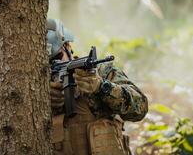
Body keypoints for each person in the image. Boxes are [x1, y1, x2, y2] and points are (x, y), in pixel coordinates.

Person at [47, 19, 148, 155]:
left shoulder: (100, 72)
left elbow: (140, 108)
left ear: (68, 46)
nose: (55, 64)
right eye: (49, 62)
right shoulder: (34, 87)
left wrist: (102, 87)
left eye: (58, 56)